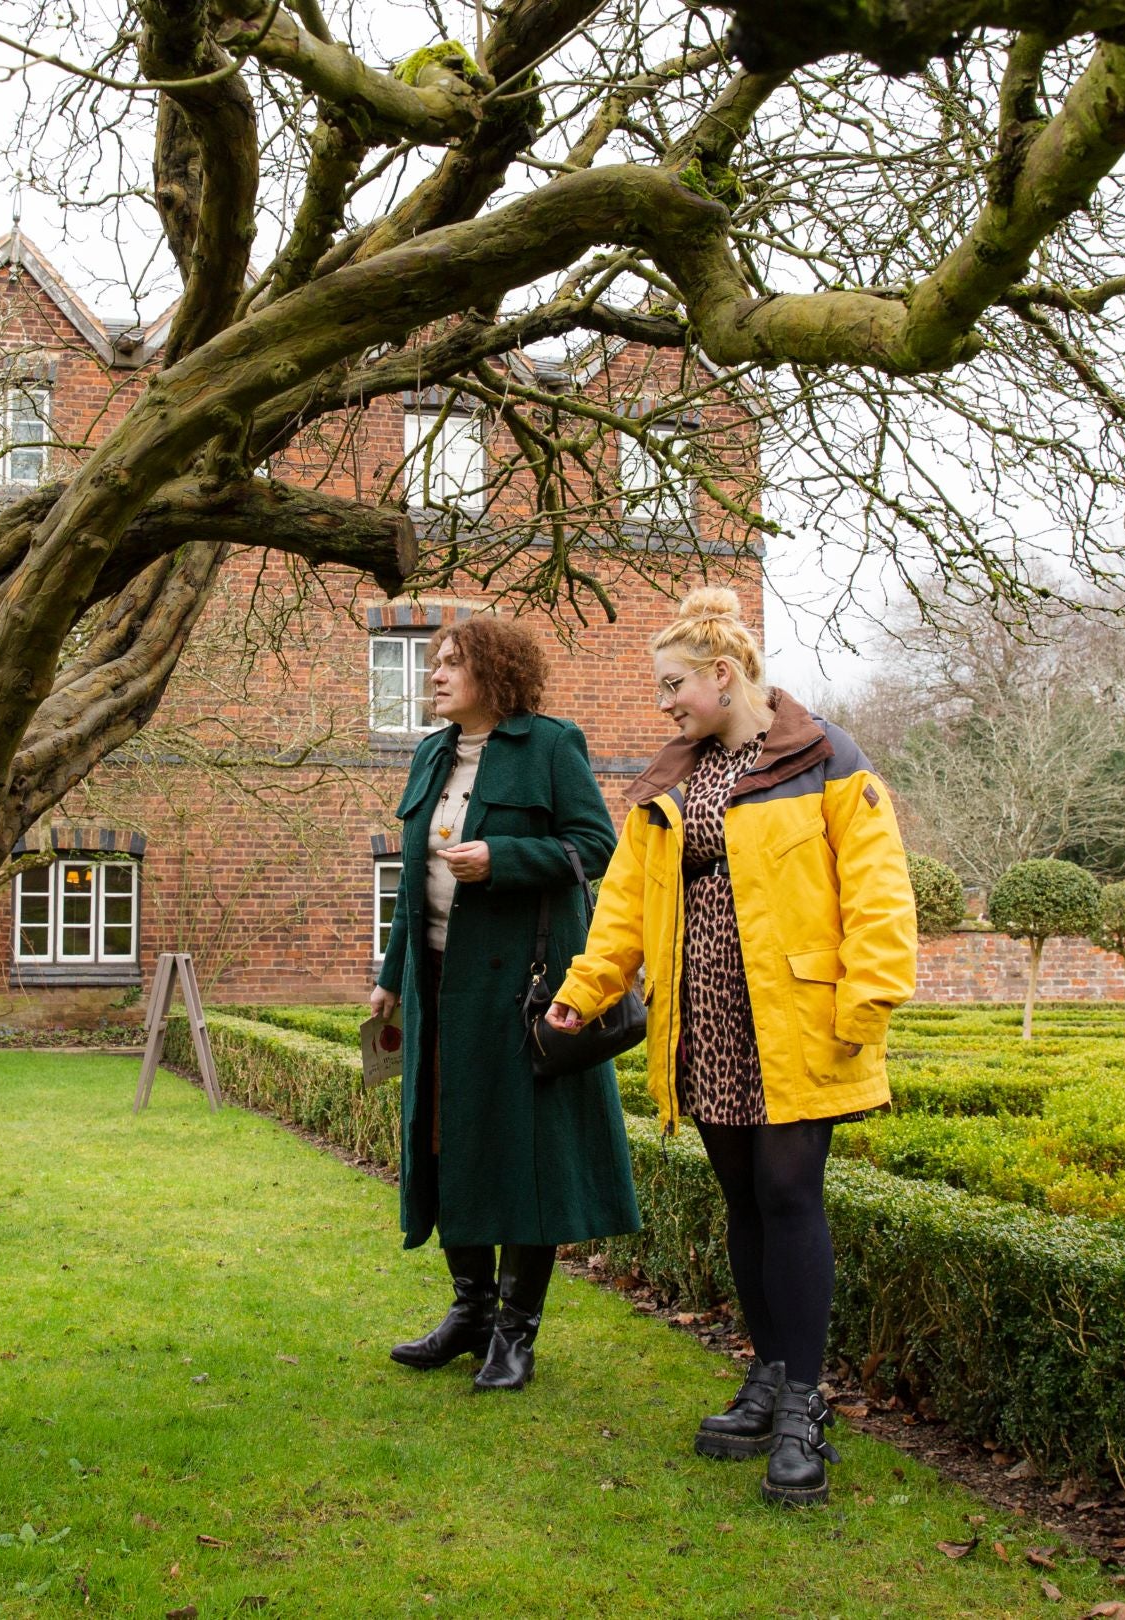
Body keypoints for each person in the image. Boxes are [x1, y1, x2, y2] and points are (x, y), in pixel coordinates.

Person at [544, 587, 916, 1505]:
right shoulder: (667, 781)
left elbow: (878, 891)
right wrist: (583, 994)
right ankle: (767, 1375)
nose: (663, 703)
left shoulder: (826, 757)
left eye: (673, 685)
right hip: (704, 1014)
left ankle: (802, 1406)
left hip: (799, 1017)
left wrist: (865, 1006)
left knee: (790, 1193)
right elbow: (624, 906)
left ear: (724, 675)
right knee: (744, 1199)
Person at [368, 614, 638, 1392]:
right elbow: (411, 887)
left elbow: (596, 848)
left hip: (520, 989)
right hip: (437, 986)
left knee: (522, 1153)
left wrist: (505, 858)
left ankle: (516, 1333)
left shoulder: (552, 746)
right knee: (450, 1138)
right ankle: (471, 1312)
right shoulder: (431, 756)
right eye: (434, 663)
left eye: (454, 662)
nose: (436, 674)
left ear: (497, 673)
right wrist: (391, 974)